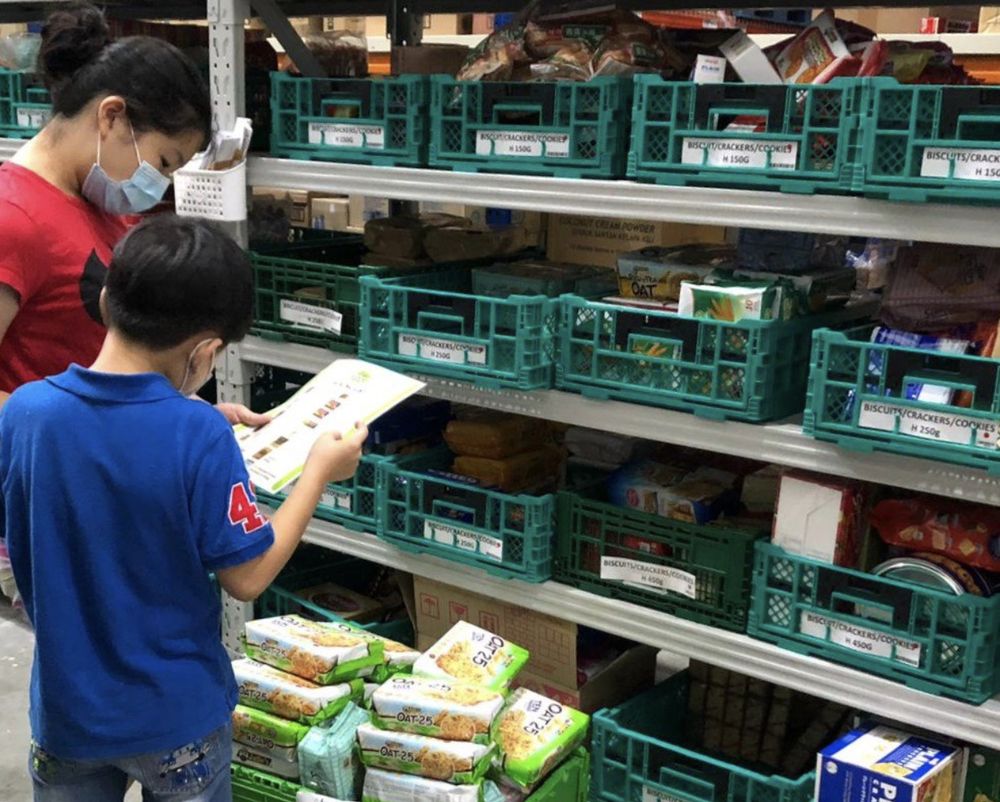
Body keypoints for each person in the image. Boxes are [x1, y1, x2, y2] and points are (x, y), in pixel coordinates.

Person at [1, 214, 368, 802]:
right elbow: (247, 576)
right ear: (205, 351)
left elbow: (92, 475)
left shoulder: (24, 413)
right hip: (175, 720)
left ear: (104, 298)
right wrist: (319, 471)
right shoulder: (196, 434)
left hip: (68, 715)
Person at [0, 3, 267, 602]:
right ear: (112, 117)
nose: (161, 185)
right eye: (164, 162)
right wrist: (117, 432)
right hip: (55, 508)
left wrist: (158, 419)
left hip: (98, 487)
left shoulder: (95, 205)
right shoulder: (12, 219)